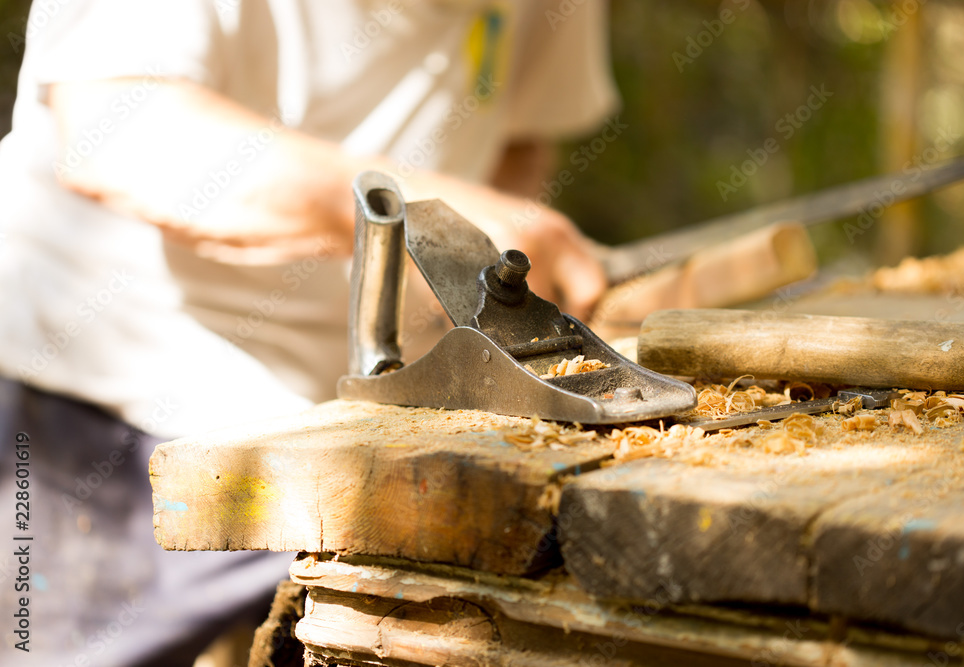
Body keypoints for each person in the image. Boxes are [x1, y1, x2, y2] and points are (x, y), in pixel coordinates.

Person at [0, 0, 619, 664]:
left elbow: (521, 135)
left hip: (343, 441)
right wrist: (423, 211)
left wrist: (474, 270)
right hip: (89, 398)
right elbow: (117, 132)